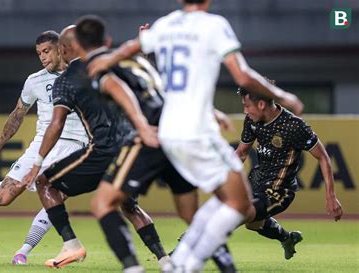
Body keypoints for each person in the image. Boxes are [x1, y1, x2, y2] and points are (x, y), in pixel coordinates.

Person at [88, 0, 304, 271]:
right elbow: (243, 75)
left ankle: (181, 261)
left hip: (167, 131)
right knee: (239, 204)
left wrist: (108, 58)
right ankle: (186, 265)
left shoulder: (165, 25)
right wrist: (284, 97)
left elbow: (135, 46)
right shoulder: (214, 25)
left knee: (219, 203)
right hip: (197, 131)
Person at [73, 15, 237, 273]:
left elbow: (118, 88)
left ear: (77, 47)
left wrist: (140, 126)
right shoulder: (135, 59)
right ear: (107, 40)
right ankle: (228, 267)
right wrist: (211, 113)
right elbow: (167, 87)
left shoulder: (97, 65)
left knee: (102, 204)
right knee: (190, 214)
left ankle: (133, 269)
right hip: (178, 131)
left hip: (151, 135)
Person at [20, 25, 171, 270]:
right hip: (131, 147)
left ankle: (71, 245)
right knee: (128, 204)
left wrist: (36, 162)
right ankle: (165, 260)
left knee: (44, 182)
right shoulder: (106, 62)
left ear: (63, 49)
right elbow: (136, 73)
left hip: (101, 151)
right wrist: (144, 47)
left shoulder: (65, 82)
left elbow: (56, 124)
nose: (46, 55)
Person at [0, 30, 88, 265]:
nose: (43, 57)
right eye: (39, 53)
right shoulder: (34, 81)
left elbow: (113, 59)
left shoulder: (81, 72)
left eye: (46, 51)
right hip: (41, 143)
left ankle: (24, 250)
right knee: (2, 198)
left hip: (76, 145)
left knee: (53, 195)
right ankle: (9, 186)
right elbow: (18, 113)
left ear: (61, 48)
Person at [236, 81, 343, 259]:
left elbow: (323, 156)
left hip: (280, 189)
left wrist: (331, 196)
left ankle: (195, 245)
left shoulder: (294, 126)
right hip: (257, 179)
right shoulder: (252, 120)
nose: (245, 111)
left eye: (247, 106)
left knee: (238, 213)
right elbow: (241, 152)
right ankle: (287, 238)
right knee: (252, 224)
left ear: (261, 104)